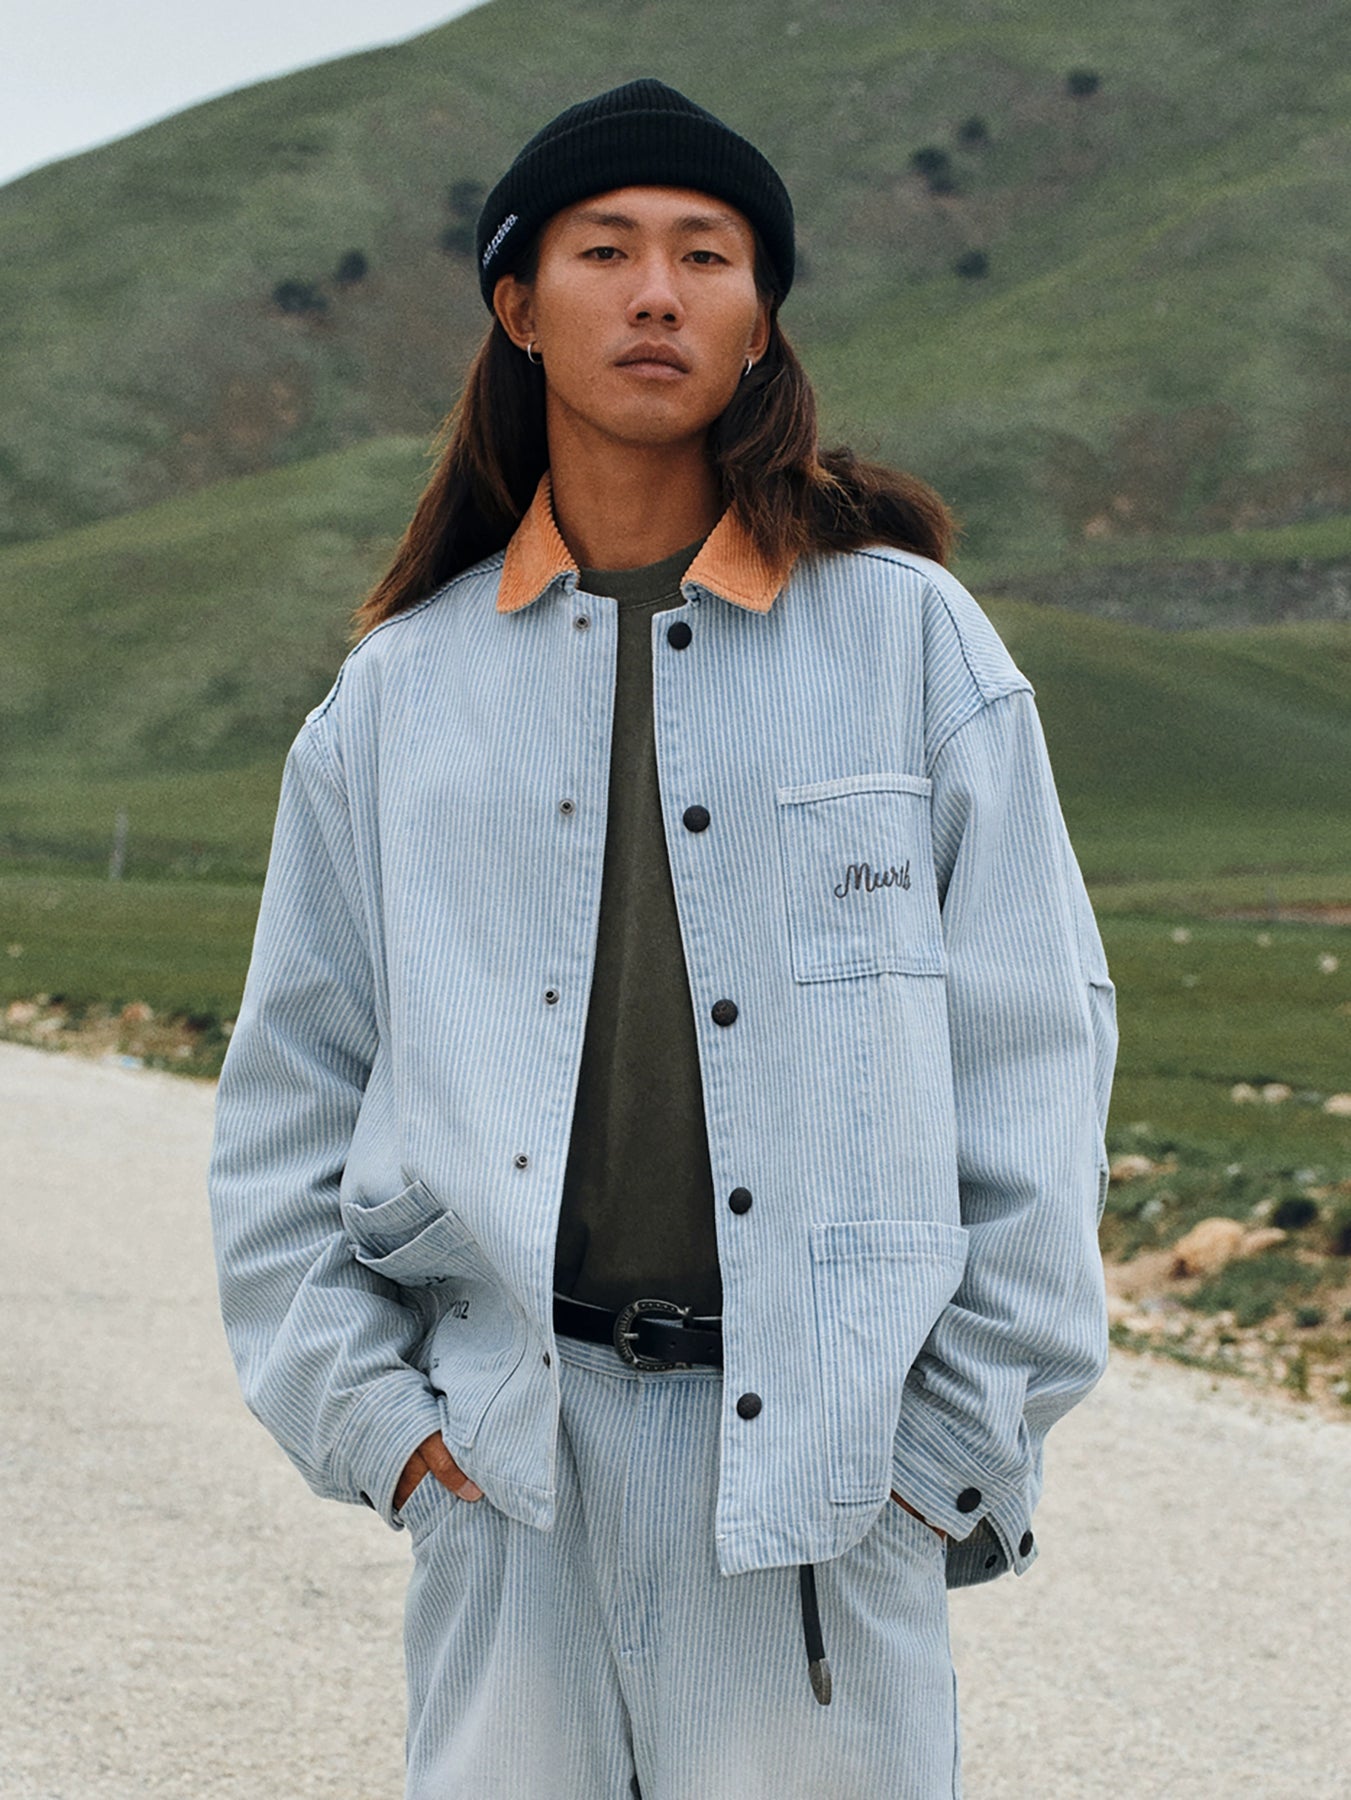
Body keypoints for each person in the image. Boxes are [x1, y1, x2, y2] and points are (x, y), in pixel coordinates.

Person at [208, 78, 1118, 1800]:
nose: (655, 294)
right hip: (509, 1481)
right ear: (516, 305)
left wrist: (940, 1458)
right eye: (604, 251)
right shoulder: (398, 699)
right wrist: (389, 1436)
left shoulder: (912, 646)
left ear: (760, 319)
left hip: (825, 1495)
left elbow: (1036, 1058)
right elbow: (289, 1101)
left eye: (706, 256)